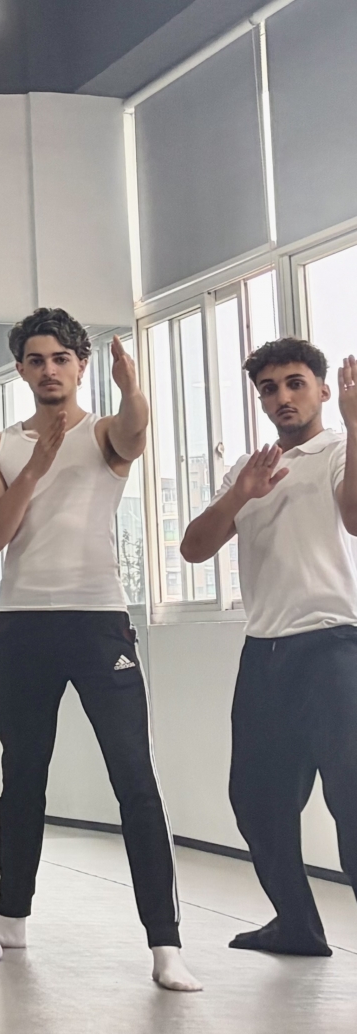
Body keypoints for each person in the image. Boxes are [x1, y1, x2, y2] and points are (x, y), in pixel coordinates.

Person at [0, 309, 197, 991]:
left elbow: (134, 432)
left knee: (134, 778)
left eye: (61, 358)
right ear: (21, 369)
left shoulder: (103, 431)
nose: (49, 370)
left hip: (98, 622)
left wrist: (133, 391)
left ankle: (166, 944)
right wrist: (35, 467)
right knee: (23, 776)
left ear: (81, 366)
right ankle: (11, 917)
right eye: (37, 359)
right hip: (23, 625)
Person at [180, 337, 357, 959]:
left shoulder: (339, 450)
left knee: (351, 801)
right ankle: (297, 926)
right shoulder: (248, 469)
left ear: (322, 390)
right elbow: (194, 548)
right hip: (266, 653)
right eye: (269, 388)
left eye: (295, 383)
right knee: (256, 802)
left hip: (335, 648)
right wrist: (241, 493)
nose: (283, 397)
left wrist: (356, 426)